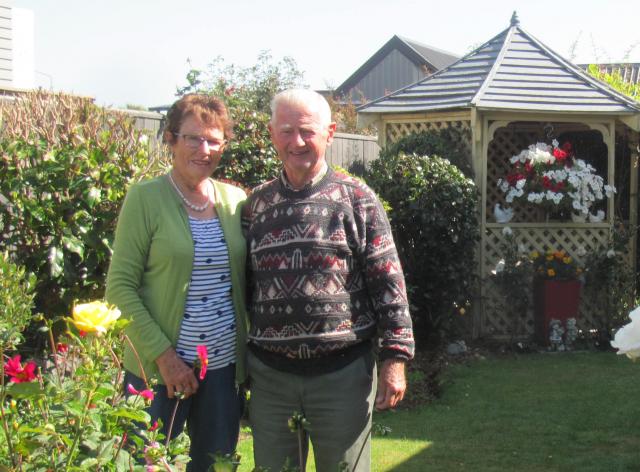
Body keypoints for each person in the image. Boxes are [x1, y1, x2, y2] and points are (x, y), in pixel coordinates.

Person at [242, 89, 415, 471]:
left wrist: (395, 359)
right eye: (286, 131)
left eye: (307, 131)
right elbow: (244, 289)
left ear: (330, 132)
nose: (297, 142)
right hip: (271, 379)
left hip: (341, 376)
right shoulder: (255, 207)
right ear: (272, 134)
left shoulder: (358, 200)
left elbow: (390, 284)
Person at [106, 95, 248, 472]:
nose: (205, 150)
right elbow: (119, 288)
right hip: (158, 370)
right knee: (145, 464)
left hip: (221, 370)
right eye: (193, 139)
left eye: (214, 140)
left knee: (215, 466)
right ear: (171, 139)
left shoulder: (234, 200)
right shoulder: (145, 199)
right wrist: (165, 358)